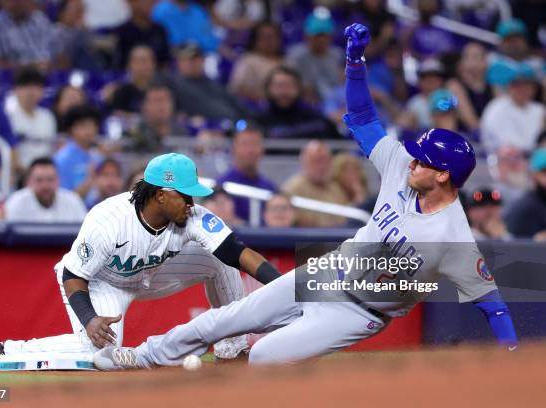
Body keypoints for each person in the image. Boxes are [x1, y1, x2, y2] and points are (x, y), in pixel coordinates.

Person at [91, 23, 517, 370]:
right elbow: (364, 118)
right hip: (328, 272)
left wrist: (514, 360)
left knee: (262, 356)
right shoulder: (399, 166)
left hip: (358, 313)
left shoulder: (452, 235)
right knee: (227, 318)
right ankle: (141, 356)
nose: (412, 161)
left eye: (423, 161)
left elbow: (493, 305)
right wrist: (354, 64)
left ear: (443, 175)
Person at [0, 153, 282, 360]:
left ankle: (233, 350)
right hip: (101, 282)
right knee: (98, 351)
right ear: (160, 194)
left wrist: (288, 286)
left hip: (154, 271)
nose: (191, 202)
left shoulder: (192, 216)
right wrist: (90, 319)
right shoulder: (107, 220)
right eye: (185, 195)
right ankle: (9, 350)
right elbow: (73, 276)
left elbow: (238, 253)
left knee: (218, 259)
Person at [256, 66, 341, 140]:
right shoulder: (257, 122)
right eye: (279, 86)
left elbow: (338, 146)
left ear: (299, 88)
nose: (284, 91)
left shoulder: (316, 120)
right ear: (268, 89)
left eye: (289, 86)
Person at [168, 43, 246, 122]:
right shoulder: (174, 85)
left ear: (203, 60)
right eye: (187, 60)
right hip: (204, 129)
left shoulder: (214, 84)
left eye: (196, 59)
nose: (192, 63)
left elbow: (237, 105)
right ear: (178, 62)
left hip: (235, 124)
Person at [215, 126, 277, 222]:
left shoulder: (270, 188)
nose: (250, 150)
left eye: (255, 144)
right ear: (233, 149)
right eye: (245, 144)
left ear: (262, 150)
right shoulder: (221, 186)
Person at [480, 64, 544, 155]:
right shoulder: (496, 108)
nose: (523, 89)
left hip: (534, 160)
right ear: (509, 87)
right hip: (501, 160)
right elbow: (507, 145)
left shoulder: (539, 110)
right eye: (518, 86)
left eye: (527, 86)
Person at [282, 140, 348, 227]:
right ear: (304, 163)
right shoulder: (293, 189)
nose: (322, 166)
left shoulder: (336, 189)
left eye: (325, 160)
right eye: (317, 161)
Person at [286, 7, 343, 103]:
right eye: (317, 36)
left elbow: (342, 83)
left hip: (336, 101)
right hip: (305, 102)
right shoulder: (295, 56)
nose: (321, 40)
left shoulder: (337, 54)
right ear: (307, 36)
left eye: (325, 36)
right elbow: (292, 85)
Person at [5, 66, 57, 172]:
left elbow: (52, 150)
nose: (30, 92)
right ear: (15, 90)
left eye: (35, 87)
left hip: (46, 173)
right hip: (18, 174)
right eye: (25, 86)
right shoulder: (8, 116)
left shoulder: (48, 117)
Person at [0, 0, 55, 69]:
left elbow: (52, 52)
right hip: (13, 78)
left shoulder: (40, 19)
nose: (19, 2)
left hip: (45, 74)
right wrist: (31, 67)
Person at [228, 21, 283, 105]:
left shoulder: (288, 61)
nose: (269, 41)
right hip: (259, 108)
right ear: (255, 40)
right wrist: (265, 101)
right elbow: (238, 88)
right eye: (265, 38)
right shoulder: (248, 60)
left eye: (273, 37)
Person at [54, 105, 102, 198]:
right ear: (71, 129)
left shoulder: (97, 155)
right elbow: (64, 197)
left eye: (92, 125)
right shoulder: (63, 158)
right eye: (83, 126)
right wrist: (89, 179)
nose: (89, 130)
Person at [127, 84, 187, 152]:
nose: (162, 105)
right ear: (144, 106)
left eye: (166, 100)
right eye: (157, 100)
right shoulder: (135, 133)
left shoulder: (181, 132)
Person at [504, 149, 546, 241]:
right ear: (533, 174)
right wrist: (535, 240)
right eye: (544, 171)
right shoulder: (522, 207)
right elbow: (514, 246)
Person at [115, 0, 170, 68]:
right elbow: (119, 64)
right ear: (130, 3)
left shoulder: (160, 30)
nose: (147, 3)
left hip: (156, 76)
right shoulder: (121, 32)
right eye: (143, 1)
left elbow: (165, 61)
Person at [151, 0, 220, 53]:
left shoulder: (198, 10)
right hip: (175, 61)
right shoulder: (160, 11)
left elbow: (210, 40)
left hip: (205, 58)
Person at [107, 46, 159, 115]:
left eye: (150, 60)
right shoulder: (121, 91)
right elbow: (117, 116)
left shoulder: (162, 90)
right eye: (143, 61)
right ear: (129, 65)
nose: (147, 65)